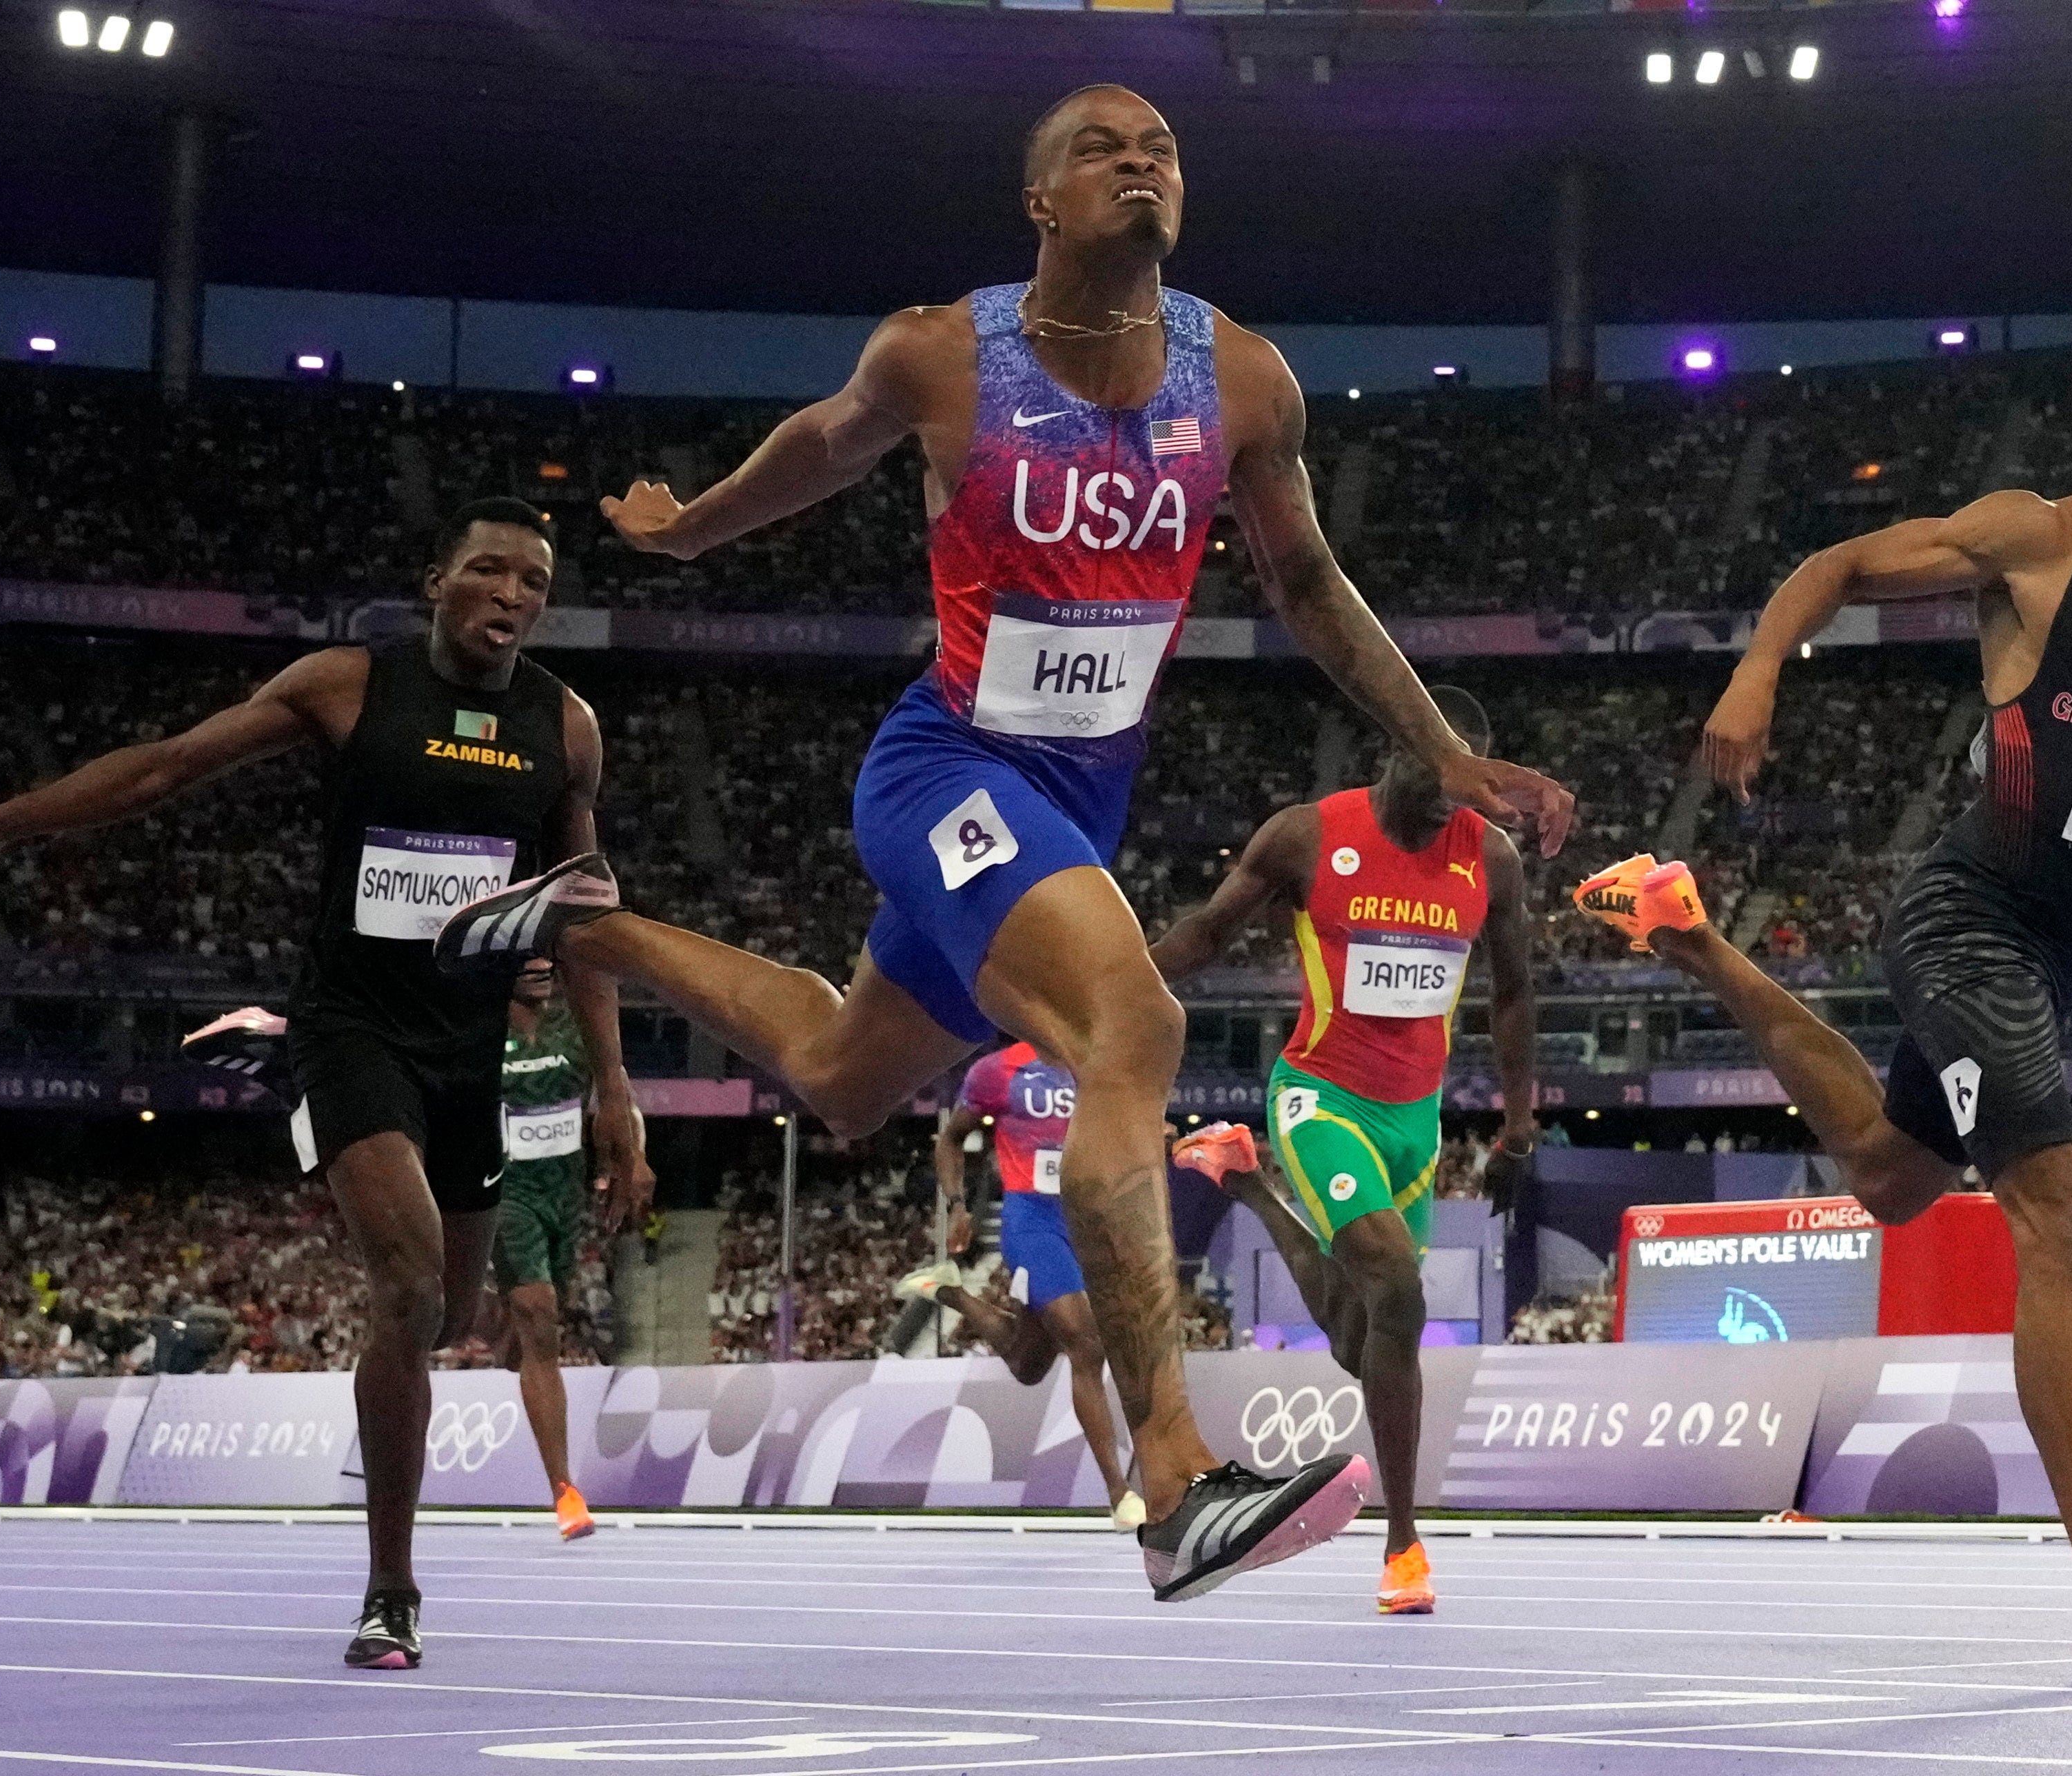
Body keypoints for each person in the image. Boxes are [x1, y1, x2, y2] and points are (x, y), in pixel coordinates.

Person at [430, 84, 1568, 1602]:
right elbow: (823, 446)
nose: (1139, 162)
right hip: (947, 766)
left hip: (1074, 796)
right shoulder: (939, 353)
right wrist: (687, 528)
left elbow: (1306, 585)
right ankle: (1175, 1478)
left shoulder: (1239, 379)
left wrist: (1443, 752)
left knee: (842, 1074)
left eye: (1160, 147)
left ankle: (585, 924)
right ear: (1038, 200)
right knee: (1134, 1024)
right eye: (1101, 147)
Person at [1574, 385, 2072, 1686]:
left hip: (2064, 950)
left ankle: (1688, 933)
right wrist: (1753, 676)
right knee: (2055, 1218)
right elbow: (1843, 562)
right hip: (1965, 919)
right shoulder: (2039, 542)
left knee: (1889, 1177)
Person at [0, 497, 653, 1670]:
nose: (511, 594)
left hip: (469, 1044)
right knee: (404, 1283)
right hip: (356, 1024)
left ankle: (279, 1065)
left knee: (447, 1317)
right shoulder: (345, 685)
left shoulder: (565, 727)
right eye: (488, 570)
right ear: (436, 579)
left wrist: (616, 1087)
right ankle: (392, 1589)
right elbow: (162, 773)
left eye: (532, 582)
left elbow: (587, 908)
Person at [1149, 685, 1536, 1615]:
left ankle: (1245, 1185)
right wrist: (1103, 986)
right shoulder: (1307, 836)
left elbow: (1513, 991)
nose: (1453, 800)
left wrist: (1518, 1125)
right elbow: (1205, 933)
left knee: (1365, 1343)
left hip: (1416, 1122)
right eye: (1438, 774)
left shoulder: (1490, 858)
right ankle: (1403, 1544)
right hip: (1320, 1099)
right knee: (1398, 1290)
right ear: (1392, 748)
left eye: (1468, 784)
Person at [896, 1041, 1144, 1531]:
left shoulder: (1096, 1060)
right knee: (1086, 1344)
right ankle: (1120, 1495)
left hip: (1089, 1223)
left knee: (1028, 1363)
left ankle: (952, 1294)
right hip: (1033, 1224)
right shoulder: (998, 1071)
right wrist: (957, 1205)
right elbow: (949, 1140)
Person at [493, 956, 614, 1540]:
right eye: (524, 959)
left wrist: (632, 1158)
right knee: (538, 1317)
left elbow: (616, 1097)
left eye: (546, 957)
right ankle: (565, 1492)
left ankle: (501, 1337)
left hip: (566, 1195)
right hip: (508, 1194)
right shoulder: (480, 1031)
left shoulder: (576, 1027)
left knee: (541, 1324)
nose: (540, 965)